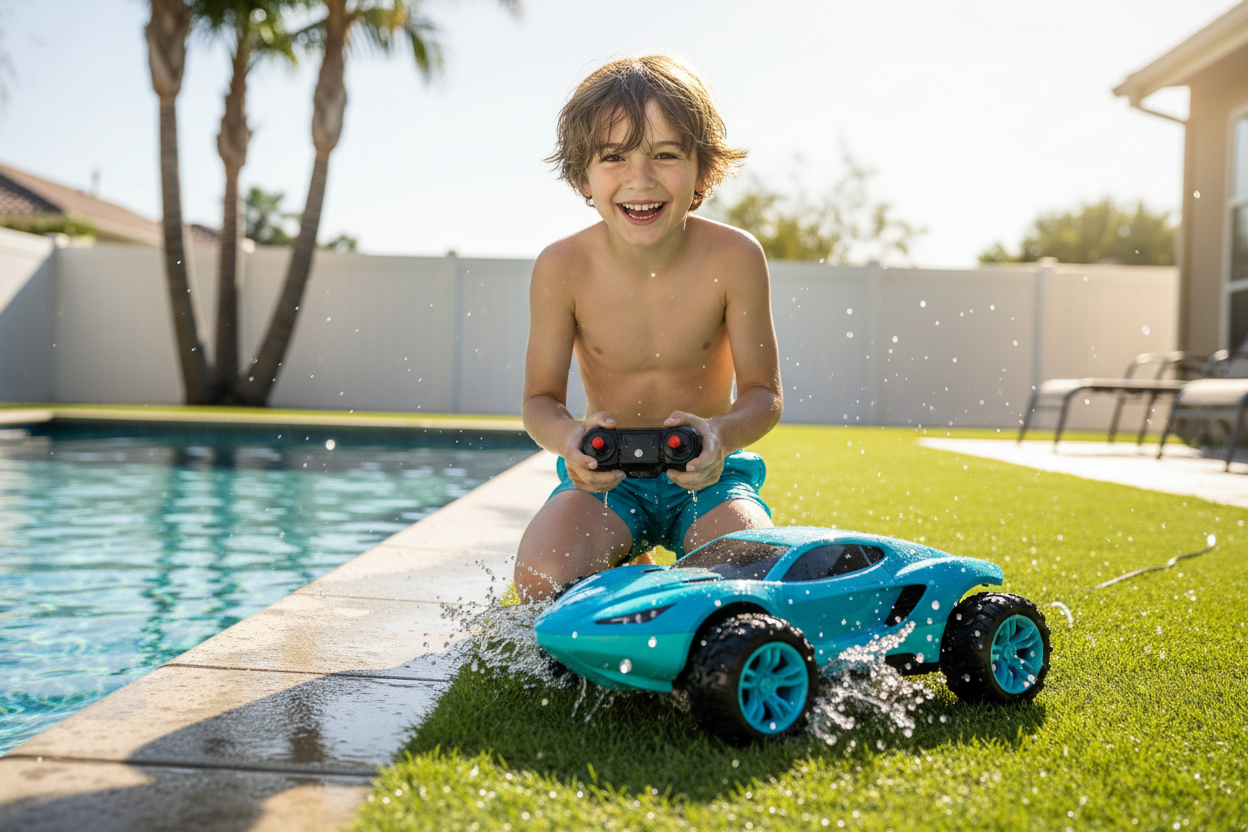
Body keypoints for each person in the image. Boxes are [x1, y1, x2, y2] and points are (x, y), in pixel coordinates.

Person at [514, 55, 782, 602]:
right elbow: (539, 400)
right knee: (541, 579)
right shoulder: (563, 267)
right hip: (608, 480)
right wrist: (571, 440)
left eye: (665, 155)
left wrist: (719, 436)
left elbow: (764, 395)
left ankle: (658, 574)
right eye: (613, 157)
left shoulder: (735, 257)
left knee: (753, 578)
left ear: (703, 170)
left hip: (708, 475)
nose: (640, 179)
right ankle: (629, 558)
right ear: (580, 174)